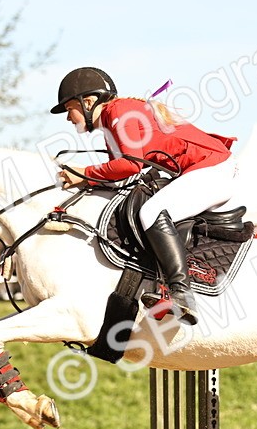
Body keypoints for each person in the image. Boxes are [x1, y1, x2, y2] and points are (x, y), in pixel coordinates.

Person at [53, 66, 236, 325]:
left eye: (69, 109)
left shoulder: (117, 112)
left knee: (151, 211)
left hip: (213, 169)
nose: (68, 118)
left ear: (89, 102)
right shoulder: (112, 120)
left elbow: (129, 166)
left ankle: (181, 293)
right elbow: (124, 173)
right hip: (209, 169)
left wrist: (84, 174)